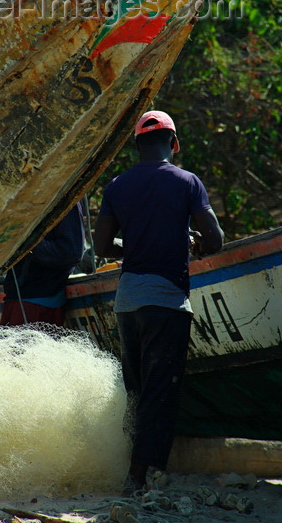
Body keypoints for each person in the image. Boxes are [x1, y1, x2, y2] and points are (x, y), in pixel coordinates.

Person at [94, 110, 224, 494]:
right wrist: (190, 243)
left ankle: (124, 466)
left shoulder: (117, 186)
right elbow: (214, 241)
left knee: (134, 390)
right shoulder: (187, 182)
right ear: (174, 143)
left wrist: (132, 244)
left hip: (127, 303)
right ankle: (138, 477)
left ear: (137, 147)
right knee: (159, 392)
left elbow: (102, 247)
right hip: (166, 303)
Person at [1, 201, 85, 327]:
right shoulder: (27, 197)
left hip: (38, 301)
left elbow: (71, 251)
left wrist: (26, 242)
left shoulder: (65, 197)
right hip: (17, 297)